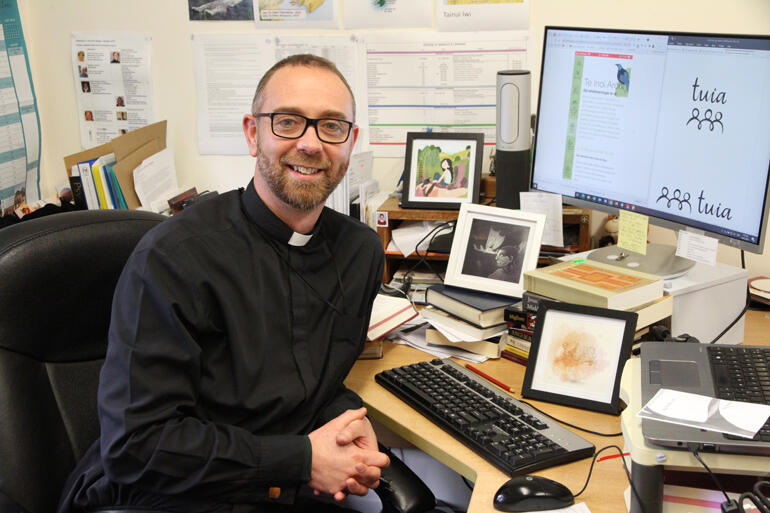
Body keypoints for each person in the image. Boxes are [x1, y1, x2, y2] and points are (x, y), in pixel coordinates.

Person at [57, 54, 395, 513]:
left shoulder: (359, 252)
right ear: (253, 133)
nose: (311, 144)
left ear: (350, 141)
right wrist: (302, 460)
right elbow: (136, 446)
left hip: (274, 481)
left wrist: (344, 420)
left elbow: (309, 380)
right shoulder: (173, 257)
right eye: (288, 122)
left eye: (332, 126)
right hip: (163, 492)